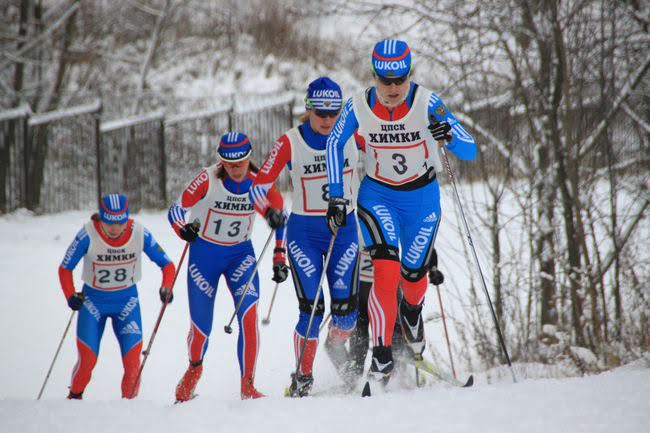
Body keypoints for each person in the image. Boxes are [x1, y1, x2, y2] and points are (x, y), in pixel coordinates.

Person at [325, 39, 477, 385]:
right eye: (385, 80)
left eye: (399, 80)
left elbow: (470, 151)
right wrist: (336, 197)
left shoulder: (428, 102)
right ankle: (382, 357)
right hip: (378, 196)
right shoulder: (359, 105)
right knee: (385, 271)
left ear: (409, 75)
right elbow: (334, 142)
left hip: (422, 201)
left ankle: (411, 313)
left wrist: (448, 134)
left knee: (412, 280)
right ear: (374, 76)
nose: (392, 88)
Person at [250, 77, 360, 397]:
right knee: (311, 309)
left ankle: (335, 348)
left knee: (346, 316)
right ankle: (303, 375)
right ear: (308, 110)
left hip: (344, 234)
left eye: (334, 113)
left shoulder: (354, 134)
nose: (327, 120)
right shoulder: (290, 141)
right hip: (305, 235)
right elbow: (258, 186)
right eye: (321, 113)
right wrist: (269, 211)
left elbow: (387, 145)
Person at [168, 132, 286, 401]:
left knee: (249, 315)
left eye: (241, 163)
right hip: (205, 255)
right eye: (229, 164)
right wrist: (181, 230)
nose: (236, 169)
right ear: (221, 161)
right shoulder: (207, 179)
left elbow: (279, 214)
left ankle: (248, 385)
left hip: (240, 255)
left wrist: (279, 256)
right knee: (201, 330)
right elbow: (175, 210)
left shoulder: (259, 183)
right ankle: (194, 368)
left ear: (248, 158)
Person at [58, 193, 176, 399]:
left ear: (126, 219)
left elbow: (167, 264)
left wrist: (166, 287)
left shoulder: (139, 232)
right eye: (109, 223)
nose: (114, 228)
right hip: (93, 303)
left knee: (132, 364)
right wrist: (71, 296)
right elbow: (64, 268)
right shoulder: (87, 234)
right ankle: (74, 398)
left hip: (127, 303)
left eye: (120, 223)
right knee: (87, 361)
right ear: (101, 218)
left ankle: (127, 409)